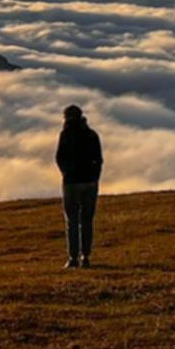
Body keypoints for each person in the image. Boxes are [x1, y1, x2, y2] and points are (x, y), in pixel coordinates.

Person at [54, 104, 103, 268]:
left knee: (72, 221)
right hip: (89, 182)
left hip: (71, 183)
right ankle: (86, 257)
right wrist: (94, 177)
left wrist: (66, 173)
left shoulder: (66, 135)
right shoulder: (91, 135)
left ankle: (73, 258)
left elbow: (59, 158)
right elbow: (99, 160)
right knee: (87, 220)